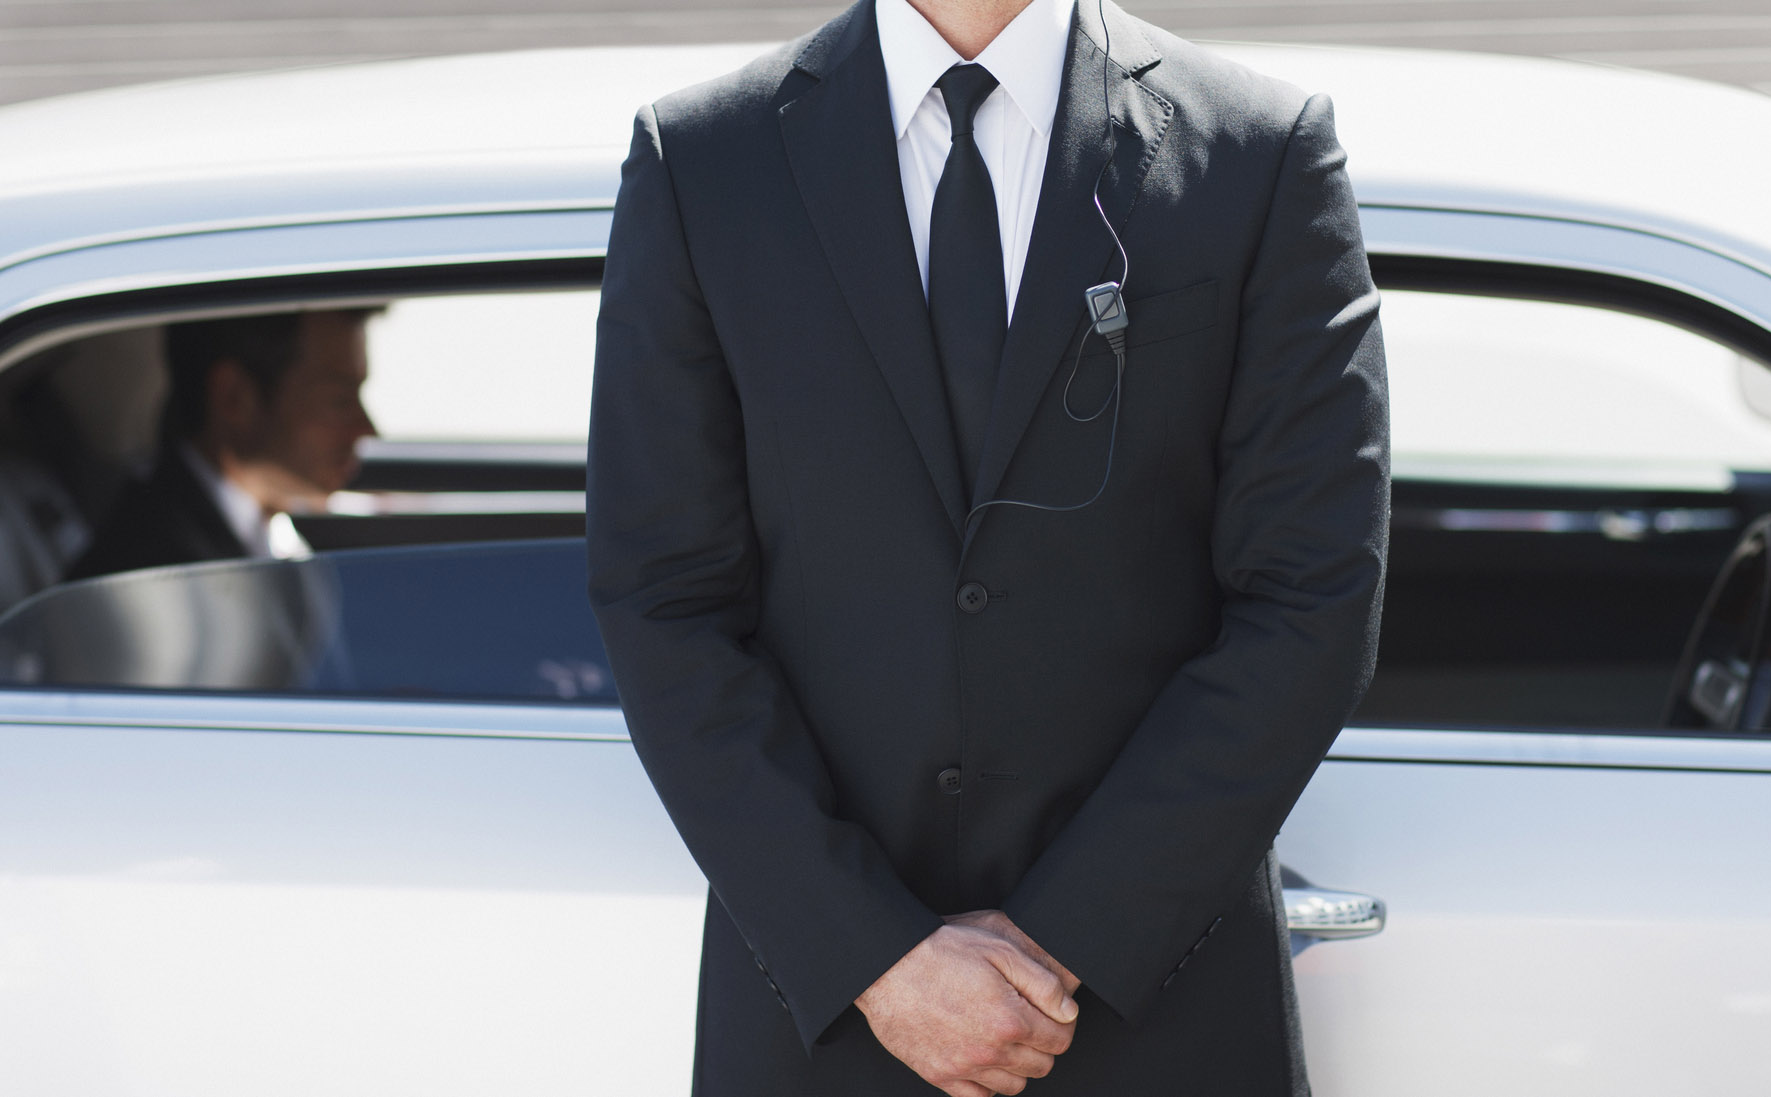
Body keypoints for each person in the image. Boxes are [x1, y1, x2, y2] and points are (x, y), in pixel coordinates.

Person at [585, 0, 1388, 1091]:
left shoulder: (1259, 150)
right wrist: (876, 954)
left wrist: (1062, 947)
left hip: (1156, 1014)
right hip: (827, 1022)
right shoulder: (704, 160)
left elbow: (1312, 593)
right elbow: (663, 593)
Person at [68, 309, 377, 581]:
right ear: (235, 398)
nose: (366, 429)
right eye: (340, 401)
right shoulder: (158, 577)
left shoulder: (263, 526)